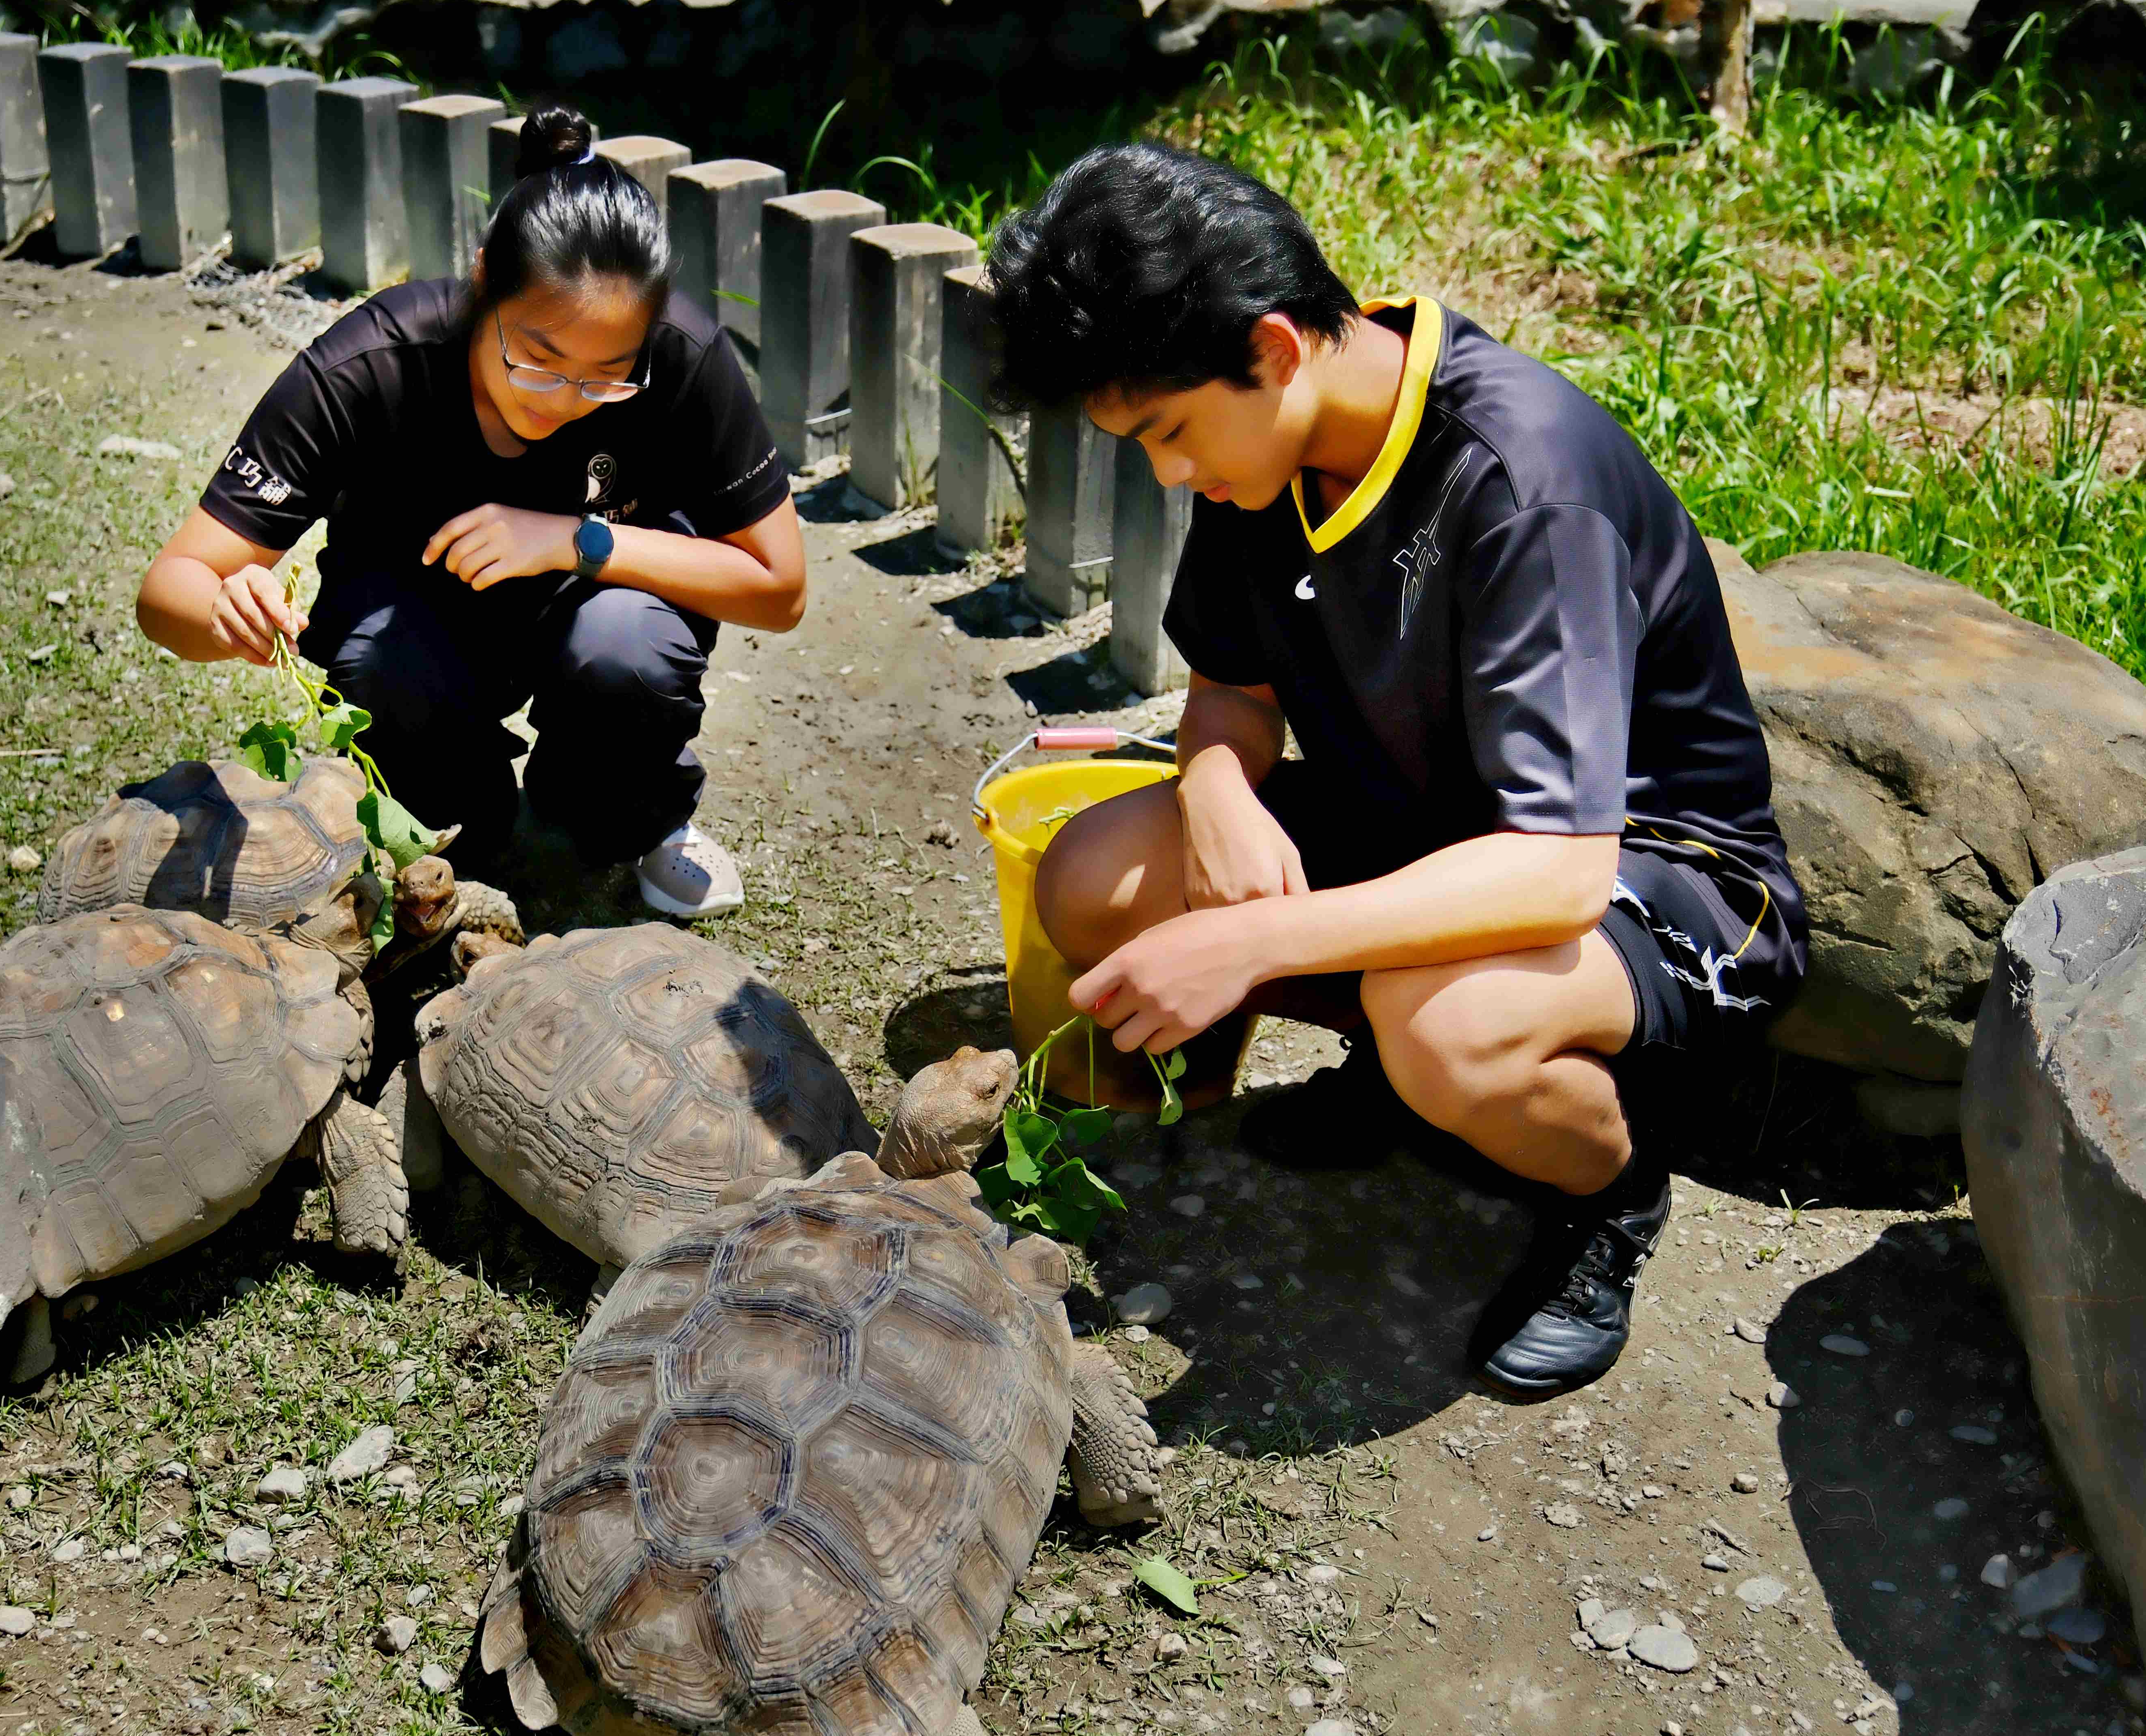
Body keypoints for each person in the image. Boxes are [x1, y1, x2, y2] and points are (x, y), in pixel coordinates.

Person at [982, 144, 1807, 1396]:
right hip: (1431, 834)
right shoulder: (1269, 450)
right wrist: (1214, 791)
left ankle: (1610, 1190)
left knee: (1450, 1027)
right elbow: (1231, 691)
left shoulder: (1523, 479)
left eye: (1168, 434)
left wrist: (1252, 943)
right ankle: (1400, 1078)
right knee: (1097, 873)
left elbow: (1557, 873)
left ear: (1273, 348)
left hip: (1659, 879)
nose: (1169, 474)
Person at [135, 103, 805, 917]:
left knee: (627, 649)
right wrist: (222, 612)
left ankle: (630, 819)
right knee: (397, 693)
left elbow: (780, 588)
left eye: (606, 376)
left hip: (599, 609)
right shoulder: (373, 365)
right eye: (538, 359)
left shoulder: (683, 358)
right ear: (484, 280)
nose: (565, 399)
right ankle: (466, 821)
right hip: (419, 629)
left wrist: (576, 541)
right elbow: (168, 590)